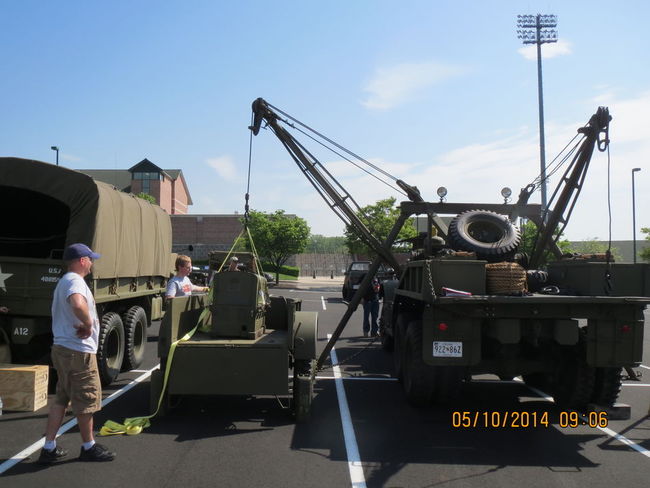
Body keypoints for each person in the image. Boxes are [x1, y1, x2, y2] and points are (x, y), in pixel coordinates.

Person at [39, 243, 115, 464]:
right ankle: (88, 446)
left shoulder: (65, 280)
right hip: (77, 352)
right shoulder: (75, 281)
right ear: (82, 261)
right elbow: (77, 303)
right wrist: (89, 322)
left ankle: (49, 447)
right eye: (90, 259)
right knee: (85, 400)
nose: (92, 263)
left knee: (61, 399)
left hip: (64, 350)